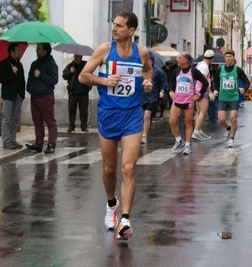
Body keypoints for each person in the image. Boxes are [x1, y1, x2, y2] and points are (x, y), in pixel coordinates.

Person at [78, 9, 153, 240]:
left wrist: (147, 81)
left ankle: (125, 220)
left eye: (119, 25)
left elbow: (148, 69)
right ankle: (112, 203)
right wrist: (103, 80)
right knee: (110, 169)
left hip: (132, 115)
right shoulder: (104, 50)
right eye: (113, 24)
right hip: (108, 113)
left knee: (128, 167)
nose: (114, 28)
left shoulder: (141, 52)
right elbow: (83, 76)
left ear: (131, 30)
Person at [168, 52, 209, 155]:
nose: (177, 60)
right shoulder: (176, 71)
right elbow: (171, 82)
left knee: (188, 123)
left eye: (179, 58)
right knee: (172, 121)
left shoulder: (194, 71)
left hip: (188, 101)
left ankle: (187, 145)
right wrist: (171, 91)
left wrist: (198, 95)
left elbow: (205, 83)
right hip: (177, 100)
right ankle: (179, 141)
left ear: (185, 61)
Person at [25, 43, 59, 154]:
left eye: (39, 49)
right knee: (37, 121)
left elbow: (54, 80)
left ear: (45, 51)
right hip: (34, 96)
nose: (37, 50)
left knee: (50, 121)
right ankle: (38, 144)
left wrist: (41, 75)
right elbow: (30, 78)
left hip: (45, 96)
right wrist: (30, 89)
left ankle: (51, 144)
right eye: (37, 48)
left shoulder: (51, 64)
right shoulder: (35, 63)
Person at [213, 49, 249, 148]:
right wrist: (215, 90)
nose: (228, 58)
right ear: (225, 58)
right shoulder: (220, 70)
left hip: (234, 97)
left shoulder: (238, 70)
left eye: (230, 57)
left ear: (233, 58)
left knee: (233, 119)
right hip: (222, 97)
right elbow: (215, 82)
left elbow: (247, 82)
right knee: (221, 120)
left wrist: (243, 88)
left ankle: (231, 139)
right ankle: (228, 128)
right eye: (227, 57)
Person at [0, 43, 25, 149]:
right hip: (8, 96)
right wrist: (11, 73)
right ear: (12, 52)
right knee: (7, 119)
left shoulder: (19, 64)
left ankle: (12, 139)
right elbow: (1, 79)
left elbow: (22, 80)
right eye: (17, 50)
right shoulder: (3, 64)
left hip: (18, 95)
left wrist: (22, 94)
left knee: (15, 119)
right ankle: (6, 141)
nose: (19, 52)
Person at [141, 51, 167, 144]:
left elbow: (163, 83)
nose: (148, 62)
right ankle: (137, 134)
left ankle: (144, 135)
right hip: (140, 97)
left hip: (151, 97)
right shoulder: (139, 70)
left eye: (149, 60)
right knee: (140, 117)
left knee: (147, 116)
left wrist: (162, 91)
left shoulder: (158, 71)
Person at [62, 54, 92, 133]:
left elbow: (90, 74)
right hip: (73, 91)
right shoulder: (70, 65)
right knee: (71, 110)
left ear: (81, 57)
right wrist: (70, 72)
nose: (75, 58)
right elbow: (64, 76)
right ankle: (71, 126)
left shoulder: (85, 65)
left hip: (83, 91)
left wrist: (88, 87)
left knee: (83, 110)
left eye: (77, 56)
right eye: (74, 56)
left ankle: (84, 125)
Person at [192, 49, 215, 141]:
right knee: (203, 112)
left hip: (197, 90)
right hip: (203, 91)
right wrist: (210, 92)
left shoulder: (200, 64)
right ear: (212, 59)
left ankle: (199, 131)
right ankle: (196, 132)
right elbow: (204, 81)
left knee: (198, 112)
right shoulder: (204, 67)